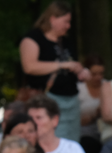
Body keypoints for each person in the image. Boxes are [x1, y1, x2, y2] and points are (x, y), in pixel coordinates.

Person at [19, 0, 88, 141]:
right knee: (50, 140)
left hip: (71, 99)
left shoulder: (66, 41)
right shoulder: (33, 38)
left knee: (72, 142)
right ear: (53, 19)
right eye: (65, 21)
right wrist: (61, 65)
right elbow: (29, 67)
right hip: (47, 99)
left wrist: (81, 71)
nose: (68, 26)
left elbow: (71, 65)